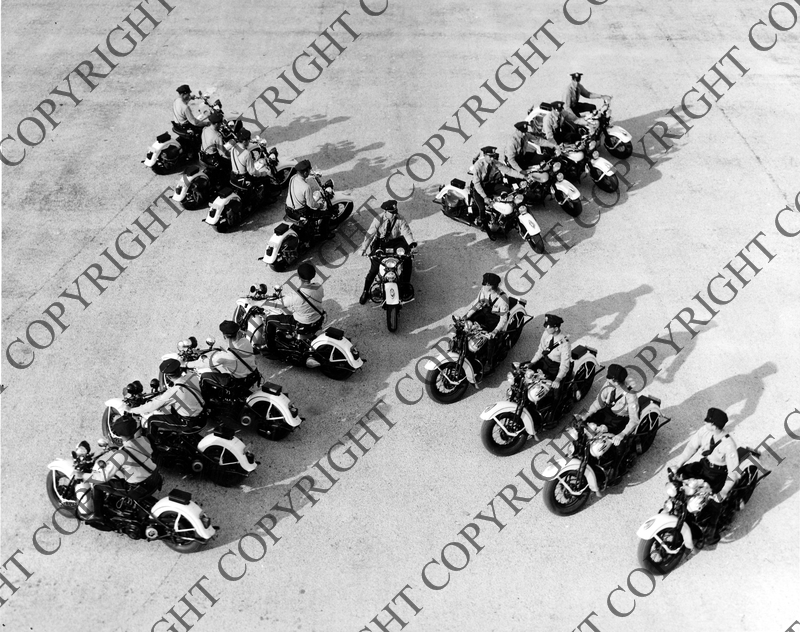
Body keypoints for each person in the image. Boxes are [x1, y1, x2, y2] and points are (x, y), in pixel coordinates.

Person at [672, 407, 740, 544]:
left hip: (718, 474)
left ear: (714, 426)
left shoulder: (728, 445)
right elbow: (691, 447)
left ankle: (710, 534)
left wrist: (724, 491)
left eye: (708, 421)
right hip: (704, 465)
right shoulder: (704, 431)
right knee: (680, 475)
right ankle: (678, 505)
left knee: (715, 504)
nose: (705, 422)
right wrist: (678, 465)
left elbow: (734, 471)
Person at [83, 415, 160, 523]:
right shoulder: (144, 440)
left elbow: (103, 477)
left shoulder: (120, 455)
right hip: (155, 478)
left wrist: (83, 476)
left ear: (118, 434)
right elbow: (135, 450)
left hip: (139, 488)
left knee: (97, 484)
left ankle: (98, 516)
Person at [575, 364, 640, 478]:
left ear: (616, 381)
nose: (607, 379)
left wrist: (622, 434)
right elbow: (599, 402)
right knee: (580, 425)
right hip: (606, 413)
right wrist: (587, 414)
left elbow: (634, 419)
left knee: (619, 444)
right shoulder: (608, 385)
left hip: (619, 421)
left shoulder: (631, 395)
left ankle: (614, 469)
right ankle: (579, 451)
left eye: (609, 377)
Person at [358, 199, 417, 305]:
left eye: (395, 212)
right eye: (391, 213)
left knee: (407, 261)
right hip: (381, 243)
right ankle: (365, 291)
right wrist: (363, 249)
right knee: (374, 269)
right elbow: (370, 234)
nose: (394, 214)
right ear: (385, 211)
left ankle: (405, 286)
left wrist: (411, 244)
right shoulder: (378, 219)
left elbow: (406, 231)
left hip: (396, 242)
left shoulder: (400, 218)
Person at [129, 358, 205, 434]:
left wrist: (131, 410)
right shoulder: (192, 376)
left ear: (168, 377)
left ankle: (151, 441)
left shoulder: (173, 392)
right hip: (203, 414)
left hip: (190, 423)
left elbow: (153, 405)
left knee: (152, 420)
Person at [265, 263, 325, 352]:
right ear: (313, 275)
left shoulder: (295, 296)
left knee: (269, 320)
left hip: (302, 324)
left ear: (299, 276)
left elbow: (277, 304)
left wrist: (261, 302)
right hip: (317, 320)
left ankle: (270, 348)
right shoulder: (319, 287)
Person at [471, 146, 526, 230]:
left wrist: (523, 176)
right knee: (481, 208)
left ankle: (504, 215)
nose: (492, 158)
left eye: (493, 156)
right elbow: (477, 183)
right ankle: (482, 222)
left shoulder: (495, 163)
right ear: (484, 155)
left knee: (508, 191)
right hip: (479, 188)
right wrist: (484, 197)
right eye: (490, 156)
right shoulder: (478, 165)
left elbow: (508, 171)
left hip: (490, 185)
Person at [463, 272, 509, 367]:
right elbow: (477, 304)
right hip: (485, 313)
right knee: (466, 324)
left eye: (485, 284)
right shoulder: (484, 290)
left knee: (490, 340)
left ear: (491, 286)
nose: (483, 285)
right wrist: (467, 316)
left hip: (495, 319)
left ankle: (489, 361)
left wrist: (495, 331)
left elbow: (503, 319)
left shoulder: (503, 299)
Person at [188, 321, 258, 382]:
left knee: (205, 376)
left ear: (224, 336)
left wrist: (186, 364)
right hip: (254, 373)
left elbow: (207, 363)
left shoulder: (224, 356)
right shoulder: (245, 341)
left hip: (241, 381)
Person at [527, 313, 572, 400]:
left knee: (555, 394)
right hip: (545, 361)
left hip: (556, 367)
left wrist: (557, 379)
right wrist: (532, 363)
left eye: (548, 327)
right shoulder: (546, 333)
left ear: (556, 328)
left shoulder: (565, 343)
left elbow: (564, 364)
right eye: (546, 326)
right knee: (528, 375)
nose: (546, 328)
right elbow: (541, 350)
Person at [286, 160, 332, 240]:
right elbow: (312, 204)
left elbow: (302, 175)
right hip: (300, 213)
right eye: (309, 171)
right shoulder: (306, 187)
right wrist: (320, 205)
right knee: (327, 214)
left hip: (288, 208)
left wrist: (313, 174)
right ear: (305, 173)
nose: (309, 172)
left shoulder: (293, 178)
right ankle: (325, 234)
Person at [200, 111, 231, 178]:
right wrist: (230, 155)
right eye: (220, 122)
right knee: (230, 164)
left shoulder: (205, 129)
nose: (221, 124)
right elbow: (222, 153)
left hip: (203, 155)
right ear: (216, 124)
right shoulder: (217, 136)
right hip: (213, 158)